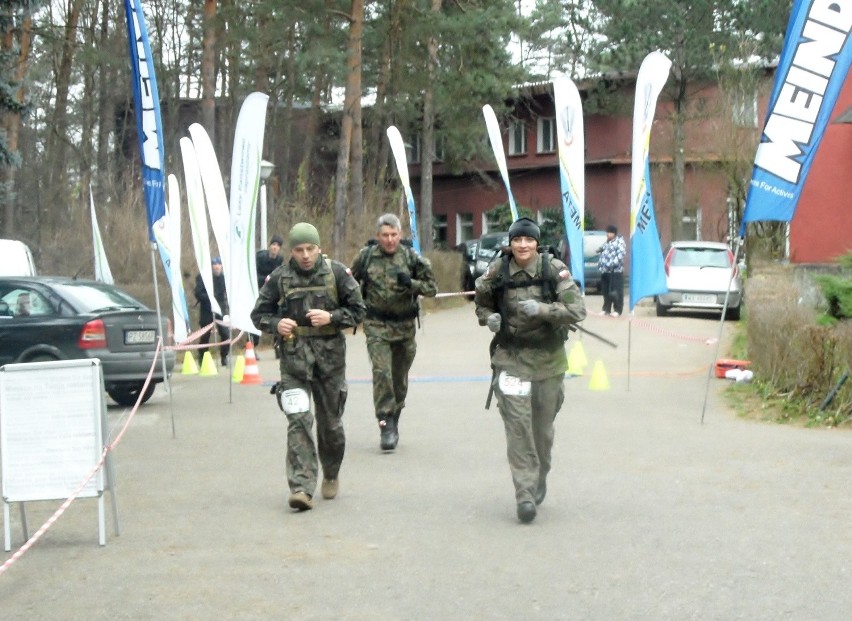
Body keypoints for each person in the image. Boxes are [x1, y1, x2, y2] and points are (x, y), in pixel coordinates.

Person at [474, 217, 586, 524]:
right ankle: (524, 493)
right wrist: (489, 319)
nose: (523, 245)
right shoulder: (497, 271)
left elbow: (578, 310)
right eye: (517, 240)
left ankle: (540, 476)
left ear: (537, 243)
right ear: (510, 243)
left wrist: (544, 310)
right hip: (511, 359)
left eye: (529, 240)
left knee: (542, 431)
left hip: (549, 360)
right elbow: (481, 303)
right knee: (518, 427)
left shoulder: (553, 269)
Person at [250, 223, 365, 512]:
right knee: (299, 422)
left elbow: (359, 310)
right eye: (299, 250)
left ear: (318, 247)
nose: (305, 255)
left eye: (310, 249)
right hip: (294, 364)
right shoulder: (279, 278)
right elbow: (258, 314)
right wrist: (277, 323)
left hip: (330, 363)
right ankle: (301, 486)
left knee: (331, 426)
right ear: (291, 251)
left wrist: (332, 317)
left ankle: (331, 471)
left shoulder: (336, 273)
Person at [351, 213, 437, 451]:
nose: (389, 240)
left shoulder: (412, 258)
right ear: (377, 236)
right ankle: (385, 421)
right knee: (382, 373)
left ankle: (395, 414)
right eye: (385, 235)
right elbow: (348, 283)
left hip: (404, 327)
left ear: (400, 235)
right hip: (376, 325)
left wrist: (412, 283)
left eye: (394, 235)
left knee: (399, 379)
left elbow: (432, 288)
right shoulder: (366, 257)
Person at [251, 234, 285, 354]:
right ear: (270, 246)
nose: (275, 248)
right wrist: (266, 278)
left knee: (279, 316)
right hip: (259, 291)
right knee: (257, 317)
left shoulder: (280, 260)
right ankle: (252, 347)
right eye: (273, 245)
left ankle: (277, 345)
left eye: (277, 246)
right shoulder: (260, 257)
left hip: (274, 294)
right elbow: (252, 273)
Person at [195, 256, 230, 366]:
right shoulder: (203, 278)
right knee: (205, 335)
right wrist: (210, 298)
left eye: (219, 264)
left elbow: (228, 294)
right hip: (207, 309)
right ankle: (203, 357)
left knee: (225, 334)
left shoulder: (224, 279)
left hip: (220, 309)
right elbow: (198, 294)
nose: (217, 266)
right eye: (214, 264)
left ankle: (224, 356)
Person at [597, 224, 626, 317]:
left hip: (615, 272)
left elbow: (620, 256)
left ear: (614, 234)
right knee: (606, 291)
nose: (607, 234)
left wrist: (610, 264)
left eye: (609, 232)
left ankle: (617, 310)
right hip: (605, 271)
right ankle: (606, 309)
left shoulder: (619, 243)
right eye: (607, 232)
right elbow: (603, 254)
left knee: (616, 292)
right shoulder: (606, 243)